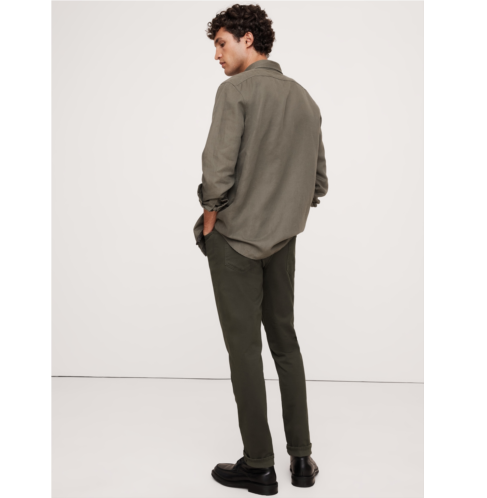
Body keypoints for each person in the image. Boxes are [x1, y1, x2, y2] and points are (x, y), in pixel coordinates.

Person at [192, 4, 328, 495]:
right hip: (283, 242)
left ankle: (259, 466)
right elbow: (318, 181)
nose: (216, 55)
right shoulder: (305, 99)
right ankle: (302, 460)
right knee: (286, 344)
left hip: (235, 242)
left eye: (221, 43)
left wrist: (210, 223)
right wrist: (284, 215)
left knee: (245, 352)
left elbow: (217, 171)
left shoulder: (235, 92)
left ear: (247, 39)